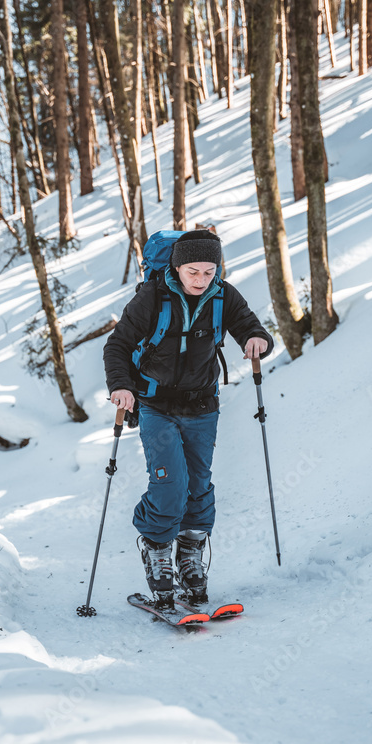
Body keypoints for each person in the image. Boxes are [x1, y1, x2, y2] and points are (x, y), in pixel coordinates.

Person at [103, 229, 273, 611]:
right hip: (155, 405)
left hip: (202, 406)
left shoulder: (223, 295)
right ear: (177, 267)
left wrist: (258, 340)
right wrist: (121, 386)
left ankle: (190, 557)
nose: (201, 280)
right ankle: (158, 548)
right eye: (193, 272)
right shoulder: (152, 297)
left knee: (198, 484)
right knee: (170, 483)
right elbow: (118, 345)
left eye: (209, 272)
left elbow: (249, 325)